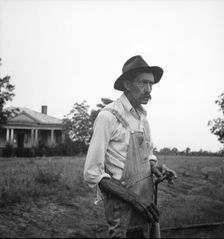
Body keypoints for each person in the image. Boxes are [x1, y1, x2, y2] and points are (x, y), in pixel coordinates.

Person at [84, 55, 177, 238]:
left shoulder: (142, 117)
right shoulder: (108, 116)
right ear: (127, 84)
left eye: (151, 84)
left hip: (146, 202)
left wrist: (156, 169)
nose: (149, 90)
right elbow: (92, 173)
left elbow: (147, 155)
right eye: (143, 83)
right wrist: (136, 200)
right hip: (122, 206)